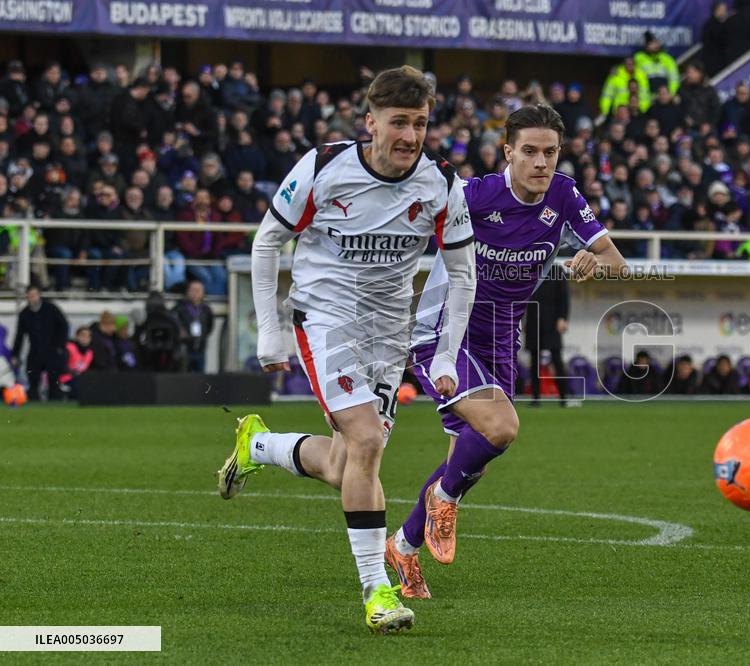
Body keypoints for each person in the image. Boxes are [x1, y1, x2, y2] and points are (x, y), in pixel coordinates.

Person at [215, 66, 476, 634]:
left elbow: (462, 276)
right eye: (399, 122)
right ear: (370, 123)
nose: (410, 136)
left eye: (421, 124)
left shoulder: (441, 183)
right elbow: (267, 243)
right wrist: (269, 330)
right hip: (326, 322)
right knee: (364, 443)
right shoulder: (322, 166)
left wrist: (447, 355)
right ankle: (376, 592)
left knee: (345, 464)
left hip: (388, 335)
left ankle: (259, 445)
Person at [387, 104, 626, 599]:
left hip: (500, 336)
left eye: (551, 153)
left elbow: (616, 262)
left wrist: (591, 260)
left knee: (468, 460)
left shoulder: (562, 194)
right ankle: (440, 501)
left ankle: (404, 547)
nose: (542, 162)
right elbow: (409, 226)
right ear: (509, 152)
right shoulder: (474, 195)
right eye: (531, 152)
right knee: (501, 428)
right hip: (444, 331)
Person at [524, 263, 571, 405]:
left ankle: (563, 398)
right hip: (533, 320)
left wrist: (563, 317)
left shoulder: (557, 270)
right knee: (534, 362)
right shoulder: (531, 268)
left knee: (557, 360)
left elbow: (564, 297)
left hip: (552, 321)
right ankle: (535, 398)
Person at [11, 285, 68, 401]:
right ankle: (34, 401)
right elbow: (19, 336)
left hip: (52, 350)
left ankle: (55, 402)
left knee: (54, 380)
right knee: (33, 379)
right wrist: (15, 354)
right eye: (29, 296)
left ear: (39, 295)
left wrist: (60, 346)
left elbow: (64, 326)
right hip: (35, 350)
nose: (32, 298)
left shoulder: (51, 309)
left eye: (34, 295)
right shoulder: (24, 314)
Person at [173, 280, 214, 372]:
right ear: (187, 292)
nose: (195, 293)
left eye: (198, 291)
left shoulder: (206, 310)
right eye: (193, 290)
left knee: (200, 376)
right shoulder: (180, 308)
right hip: (185, 348)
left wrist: (203, 335)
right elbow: (174, 322)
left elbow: (209, 326)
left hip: (200, 347)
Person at [633, 31, 680, 97]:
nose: (655, 45)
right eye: (651, 43)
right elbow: (632, 75)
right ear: (646, 45)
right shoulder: (638, 58)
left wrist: (671, 93)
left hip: (664, 96)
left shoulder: (667, 58)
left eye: (656, 42)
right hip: (645, 96)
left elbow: (674, 78)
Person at [58, 327, 93, 398]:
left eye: (88, 336)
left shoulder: (90, 353)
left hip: (81, 379)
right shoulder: (69, 348)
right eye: (83, 335)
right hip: (66, 379)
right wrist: (74, 374)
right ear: (77, 337)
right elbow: (62, 366)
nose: (85, 338)